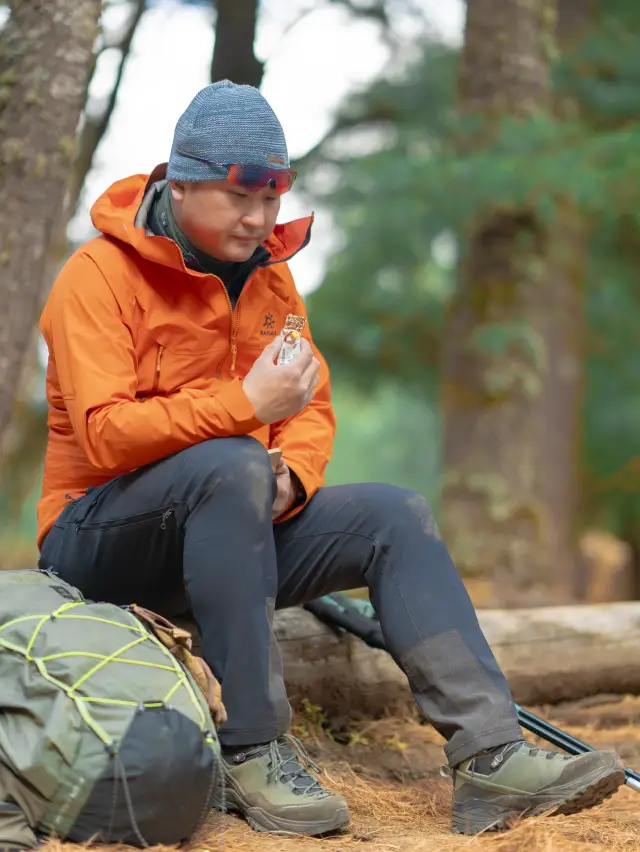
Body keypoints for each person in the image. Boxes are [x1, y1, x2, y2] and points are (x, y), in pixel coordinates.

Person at [36, 81, 624, 838]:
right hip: (93, 546)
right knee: (229, 462)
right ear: (179, 184)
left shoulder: (272, 277)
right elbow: (106, 436)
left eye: (273, 198)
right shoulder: (97, 277)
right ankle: (250, 746)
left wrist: (293, 476)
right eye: (237, 199)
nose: (259, 218)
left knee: (392, 513)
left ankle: (491, 757)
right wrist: (247, 413)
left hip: (227, 527)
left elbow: (308, 403)